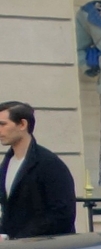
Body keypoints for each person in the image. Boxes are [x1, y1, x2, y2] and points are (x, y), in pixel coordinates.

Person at [0, 101, 79, 240]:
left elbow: (62, 213)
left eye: (3, 124)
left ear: (22, 124)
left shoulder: (49, 164)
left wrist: (23, 237)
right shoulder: (7, 164)